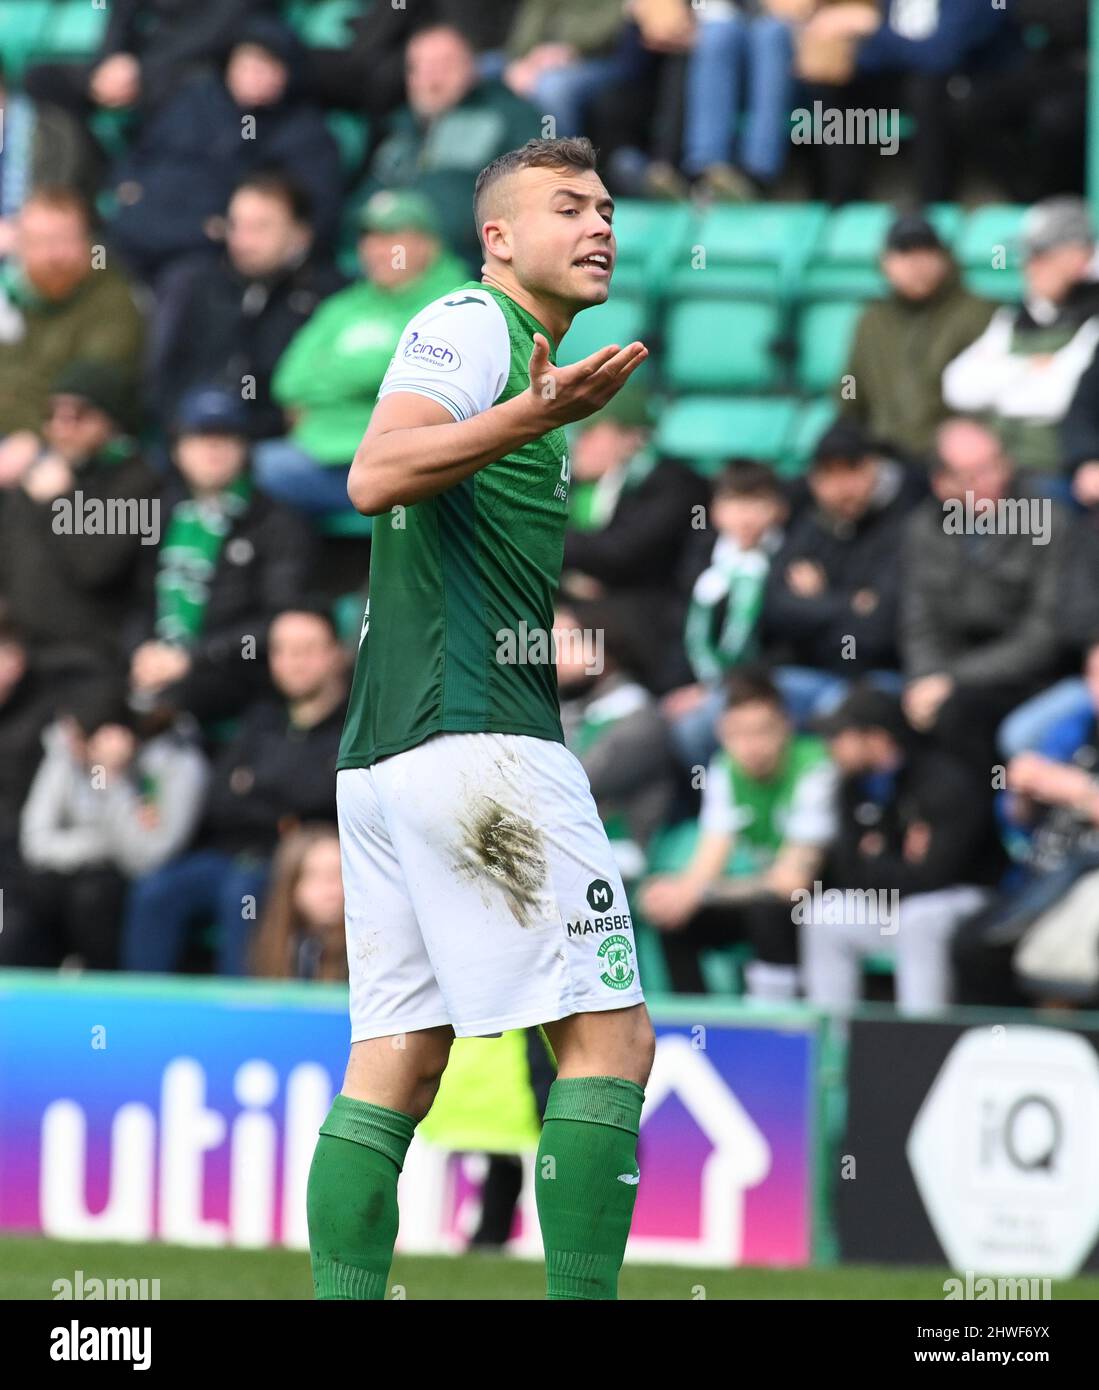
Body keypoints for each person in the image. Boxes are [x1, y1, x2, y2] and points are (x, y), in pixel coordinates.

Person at [310, 135, 652, 1304]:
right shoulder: (474, 321)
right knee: (610, 1044)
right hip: (480, 741)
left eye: (607, 206)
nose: (601, 223)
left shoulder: (532, 356)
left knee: (399, 1062)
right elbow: (373, 470)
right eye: (570, 206)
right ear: (498, 234)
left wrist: (538, 411)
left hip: (388, 757)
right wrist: (528, 413)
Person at [121, 603, 349, 976]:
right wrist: (278, 798)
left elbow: (322, 800)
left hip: (296, 857)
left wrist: (256, 789)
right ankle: (144, 1017)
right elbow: (221, 799)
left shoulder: (353, 724)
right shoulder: (261, 716)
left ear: (336, 654)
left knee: (242, 893)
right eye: (283, 650)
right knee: (155, 891)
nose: (294, 662)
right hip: (229, 851)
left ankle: (244, 1017)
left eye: (307, 650)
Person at [254, 190, 471, 515]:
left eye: (391, 238)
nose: (377, 250)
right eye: (369, 239)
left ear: (428, 243)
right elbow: (289, 382)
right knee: (260, 465)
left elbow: (411, 379)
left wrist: (335, 372)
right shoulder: (346, 304)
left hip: (411, 464)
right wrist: (366, 379)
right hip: (324, 452)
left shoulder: (456, 299)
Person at [801, 686, 1005, 1013]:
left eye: (841, 736)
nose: (831, 747)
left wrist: (878, 857)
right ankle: (832, 1046)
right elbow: (848, 871)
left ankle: (919, 1040)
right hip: (897, 898)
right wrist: (891, 862)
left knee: (919, 917)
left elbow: (935, 874)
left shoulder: (944, 780)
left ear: (877, 738)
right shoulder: (851, 786)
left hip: (969, 898)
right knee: (825, 912)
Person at [640, 668, 837, 1000]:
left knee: (768, 912)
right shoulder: (723, 769)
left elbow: (792, 882)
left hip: (826, 896)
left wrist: (700, 892)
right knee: (676, 918)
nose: (751, 746)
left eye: (763, 732)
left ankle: (778, 1023)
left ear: (786, 727)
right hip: (768, 892)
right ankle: (695, 1035)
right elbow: (710, 855)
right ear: (722, 732)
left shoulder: (816, 767)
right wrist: (677, 893)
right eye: (739, 734)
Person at [124, 385, 316, 724]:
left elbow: (278, 622)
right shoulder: (163, 513)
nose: (212, 447)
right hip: (158, 666)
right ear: (177, 449)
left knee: (162, 709)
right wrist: (141, 651)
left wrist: (193, 658)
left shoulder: (277, 523)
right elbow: (138, 599)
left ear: (245, 448)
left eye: (226, 436)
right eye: (199, 436)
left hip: (233, 677)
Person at [105, 16, 344, 281]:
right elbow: (142, 151)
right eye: (247, 63)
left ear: (287, 74)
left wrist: (232, 230)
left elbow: (314, 217)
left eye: (266, 66)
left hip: (210, 254)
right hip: (139, 228)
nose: (254, 75)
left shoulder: (304, 133)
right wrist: (126, 185)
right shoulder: (195, 100)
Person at [900, 418, 1065, 768]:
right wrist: (925, 678)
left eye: (995, 466)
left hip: (1025, 679)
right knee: (877, 714)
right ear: (942, 483)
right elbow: (918, 622)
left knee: (963, 715)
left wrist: (952, 680)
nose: (993, 481)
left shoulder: (1047, 522)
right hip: (947, 679)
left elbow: (1044, 636)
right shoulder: (923, 529)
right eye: (975, 474)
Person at [6, 683, 208, 970]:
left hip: (121, 882)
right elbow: (36, 842)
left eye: (77, 737)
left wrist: (114, 780)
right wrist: (100, 843)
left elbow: (145, 859)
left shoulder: (174, 766)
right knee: (19, 905)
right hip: (66, 872)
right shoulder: (65, 753)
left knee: (93, 897)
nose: (67, 743)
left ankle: (103, 995)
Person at [0, 361, 156, 693]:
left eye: (78, 415)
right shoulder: (38, 478)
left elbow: (95, 567)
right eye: (53, 415)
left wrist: (60, 502)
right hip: (22, 660)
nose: (61, 427)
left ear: (110, 420)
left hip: (92, 663)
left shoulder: (137, 481)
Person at [153, 174, 345, 439]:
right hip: (191, 438)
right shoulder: (195, 285)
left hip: (277, 445)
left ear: (300, 235)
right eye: (236, 226)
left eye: (260, 227)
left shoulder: (329, 299)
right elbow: (166, 374)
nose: (243, 241)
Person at [761, 421, 921, 725]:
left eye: (851, 471)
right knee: (722, 717)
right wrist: (849, 604)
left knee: (835, 718)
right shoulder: (808, 523)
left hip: (882, 678)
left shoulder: (906, 523)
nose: (842, 488)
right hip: (808, 671)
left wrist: (816, 602)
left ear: (874, 467)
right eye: (829, 475)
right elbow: (773, 610)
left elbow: (878, 632)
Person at [348, 26, 543, 270]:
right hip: (383, 274)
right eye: (417, 67)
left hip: (471, 270)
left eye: (443, 65)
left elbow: (537, 190)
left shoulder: (511, 116)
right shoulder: (398, 128)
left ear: (472, 68)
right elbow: (357, 210)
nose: (430, 78)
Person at [560, 380, 710, 695]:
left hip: (653, 622)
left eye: (590, 433)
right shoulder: (575, 486)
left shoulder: (674, 484)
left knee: (549, 640)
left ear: (629, 438)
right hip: (594, 612)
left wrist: (553, 541)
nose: (578, 443)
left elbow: (620, 553)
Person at [942, 197, 1099, 483]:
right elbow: (957, 387)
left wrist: (1000, 377)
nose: (1029, 266)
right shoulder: (1013, 316)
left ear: (1079, 255)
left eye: (1041, 255)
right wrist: (1031, 367)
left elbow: (1056, 399)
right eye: (1027, 256)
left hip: (1060, 474)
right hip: (999, 476)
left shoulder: (1093, 316)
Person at [837, 212, 995, 462]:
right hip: (884, 454)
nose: (916, 264)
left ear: (944, 258)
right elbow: (850, 385)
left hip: (953, 458)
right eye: (904, 253)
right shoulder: (870, 320)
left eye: (926, 252)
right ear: (885, 263)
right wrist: (844, 426)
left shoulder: (979, 314)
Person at [663, 458, 789, 770]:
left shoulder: (791, 557)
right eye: (734, 503)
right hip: (707, 683)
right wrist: (688, 686)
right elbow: (686, 628)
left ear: (779, 508)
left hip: (767, 681)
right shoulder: (702, 557)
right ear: (716, 510)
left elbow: (791, 635)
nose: (745, 515)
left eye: (757, 502)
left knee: (696, 728)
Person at [0, 188, 144, 439]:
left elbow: (87, 400)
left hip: (63, 448)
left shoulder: (112, 301)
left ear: (87, 241)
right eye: (39, 242)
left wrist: (31, 441)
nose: (53, 255)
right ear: (20, 246)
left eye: (64, 240)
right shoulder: (10, 294)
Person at [251, 823, 347, 981]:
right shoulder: (273, 948)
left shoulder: (371, 951)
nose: (330, 885)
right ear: (290, 886)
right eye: (314, 875)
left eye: (339, 873)